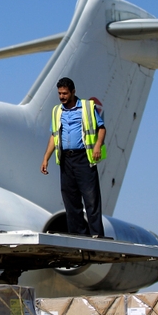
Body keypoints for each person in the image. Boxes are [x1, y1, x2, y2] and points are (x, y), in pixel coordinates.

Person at [41, 77, 107, 238]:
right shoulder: (57, 111)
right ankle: (78, 234)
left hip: (84, 158)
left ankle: (97, 234)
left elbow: (101, 128)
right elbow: (54, 136)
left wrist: (97, 146)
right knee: (70, 200)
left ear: (73, 92)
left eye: (65, 93)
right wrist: (46, 158)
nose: (62, 96)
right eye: (60, 93)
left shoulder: (86, 108)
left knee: (91, 198)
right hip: (66, 159)